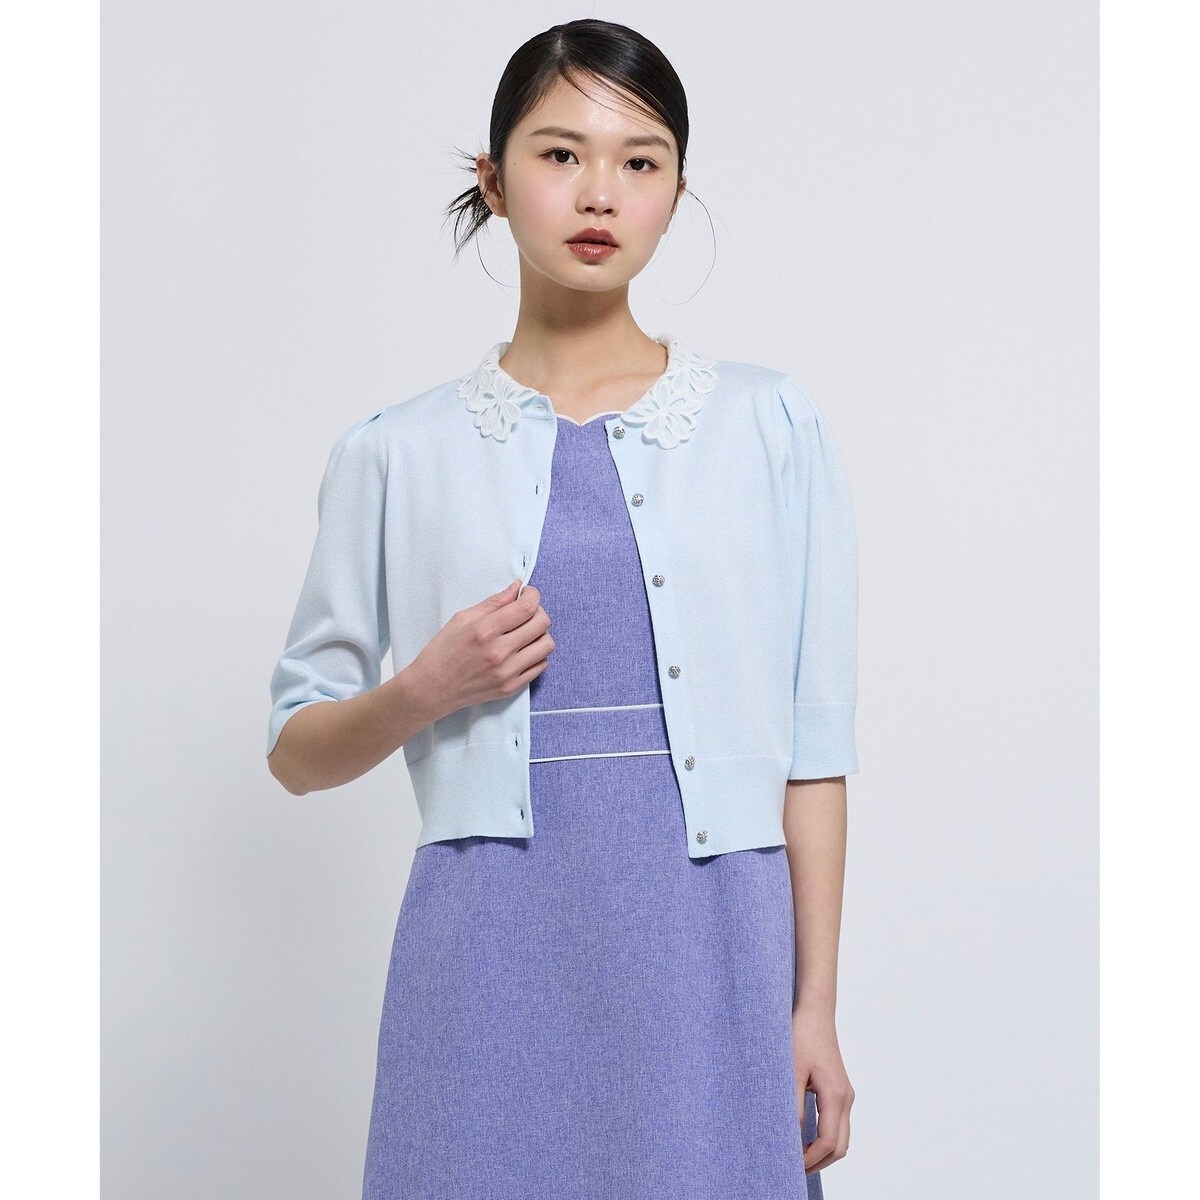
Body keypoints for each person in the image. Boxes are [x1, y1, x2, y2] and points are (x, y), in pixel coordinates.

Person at [266, 17, 859, 1200]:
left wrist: (815, 1009)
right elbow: (295, 751)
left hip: (712, 946)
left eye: (641, 161)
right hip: (487, 946)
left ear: (677, 192)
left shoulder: (768, 426)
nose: (600, 193)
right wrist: (424, 690)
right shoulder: (396, 452)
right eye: (559, 154)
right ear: (493, 181)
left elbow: (815, 746)